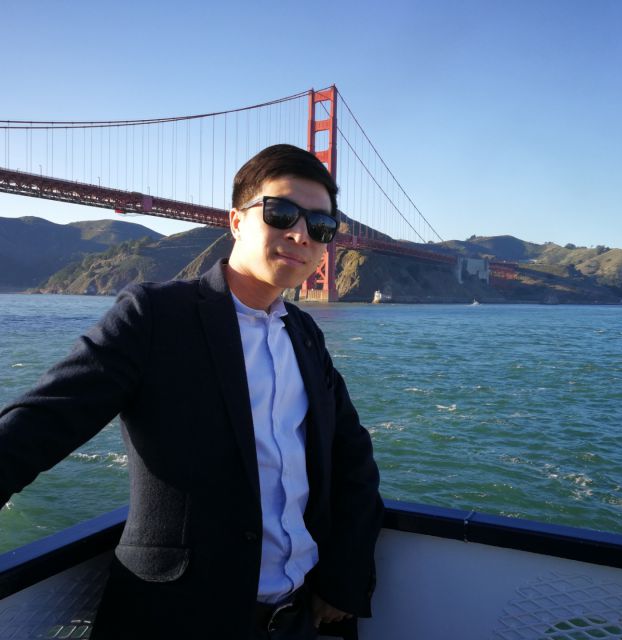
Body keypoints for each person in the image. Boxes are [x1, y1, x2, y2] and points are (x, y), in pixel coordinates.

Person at [0, 143, 383, 639]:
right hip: (176, 620)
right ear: (236, 221)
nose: (300, 234)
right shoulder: (155, 316)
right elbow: (39, 424)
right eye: (281, 213)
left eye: (321, 225)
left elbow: (352, 458)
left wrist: (343, 578)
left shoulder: (305, 334)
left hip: (296, 617)